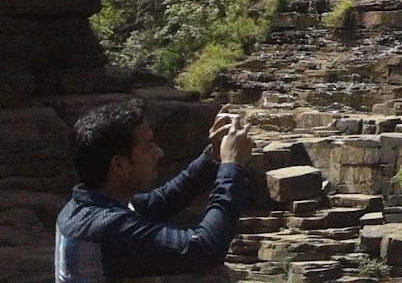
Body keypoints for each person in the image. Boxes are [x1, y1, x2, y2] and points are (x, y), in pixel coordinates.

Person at [55, 98, 254, 282]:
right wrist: (231, 167)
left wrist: (214, 155)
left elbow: (166, 199)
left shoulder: (83, 207)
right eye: (148, 146)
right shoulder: (108, 228)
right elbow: (203, 250)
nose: (159, 153)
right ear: (119, 165)